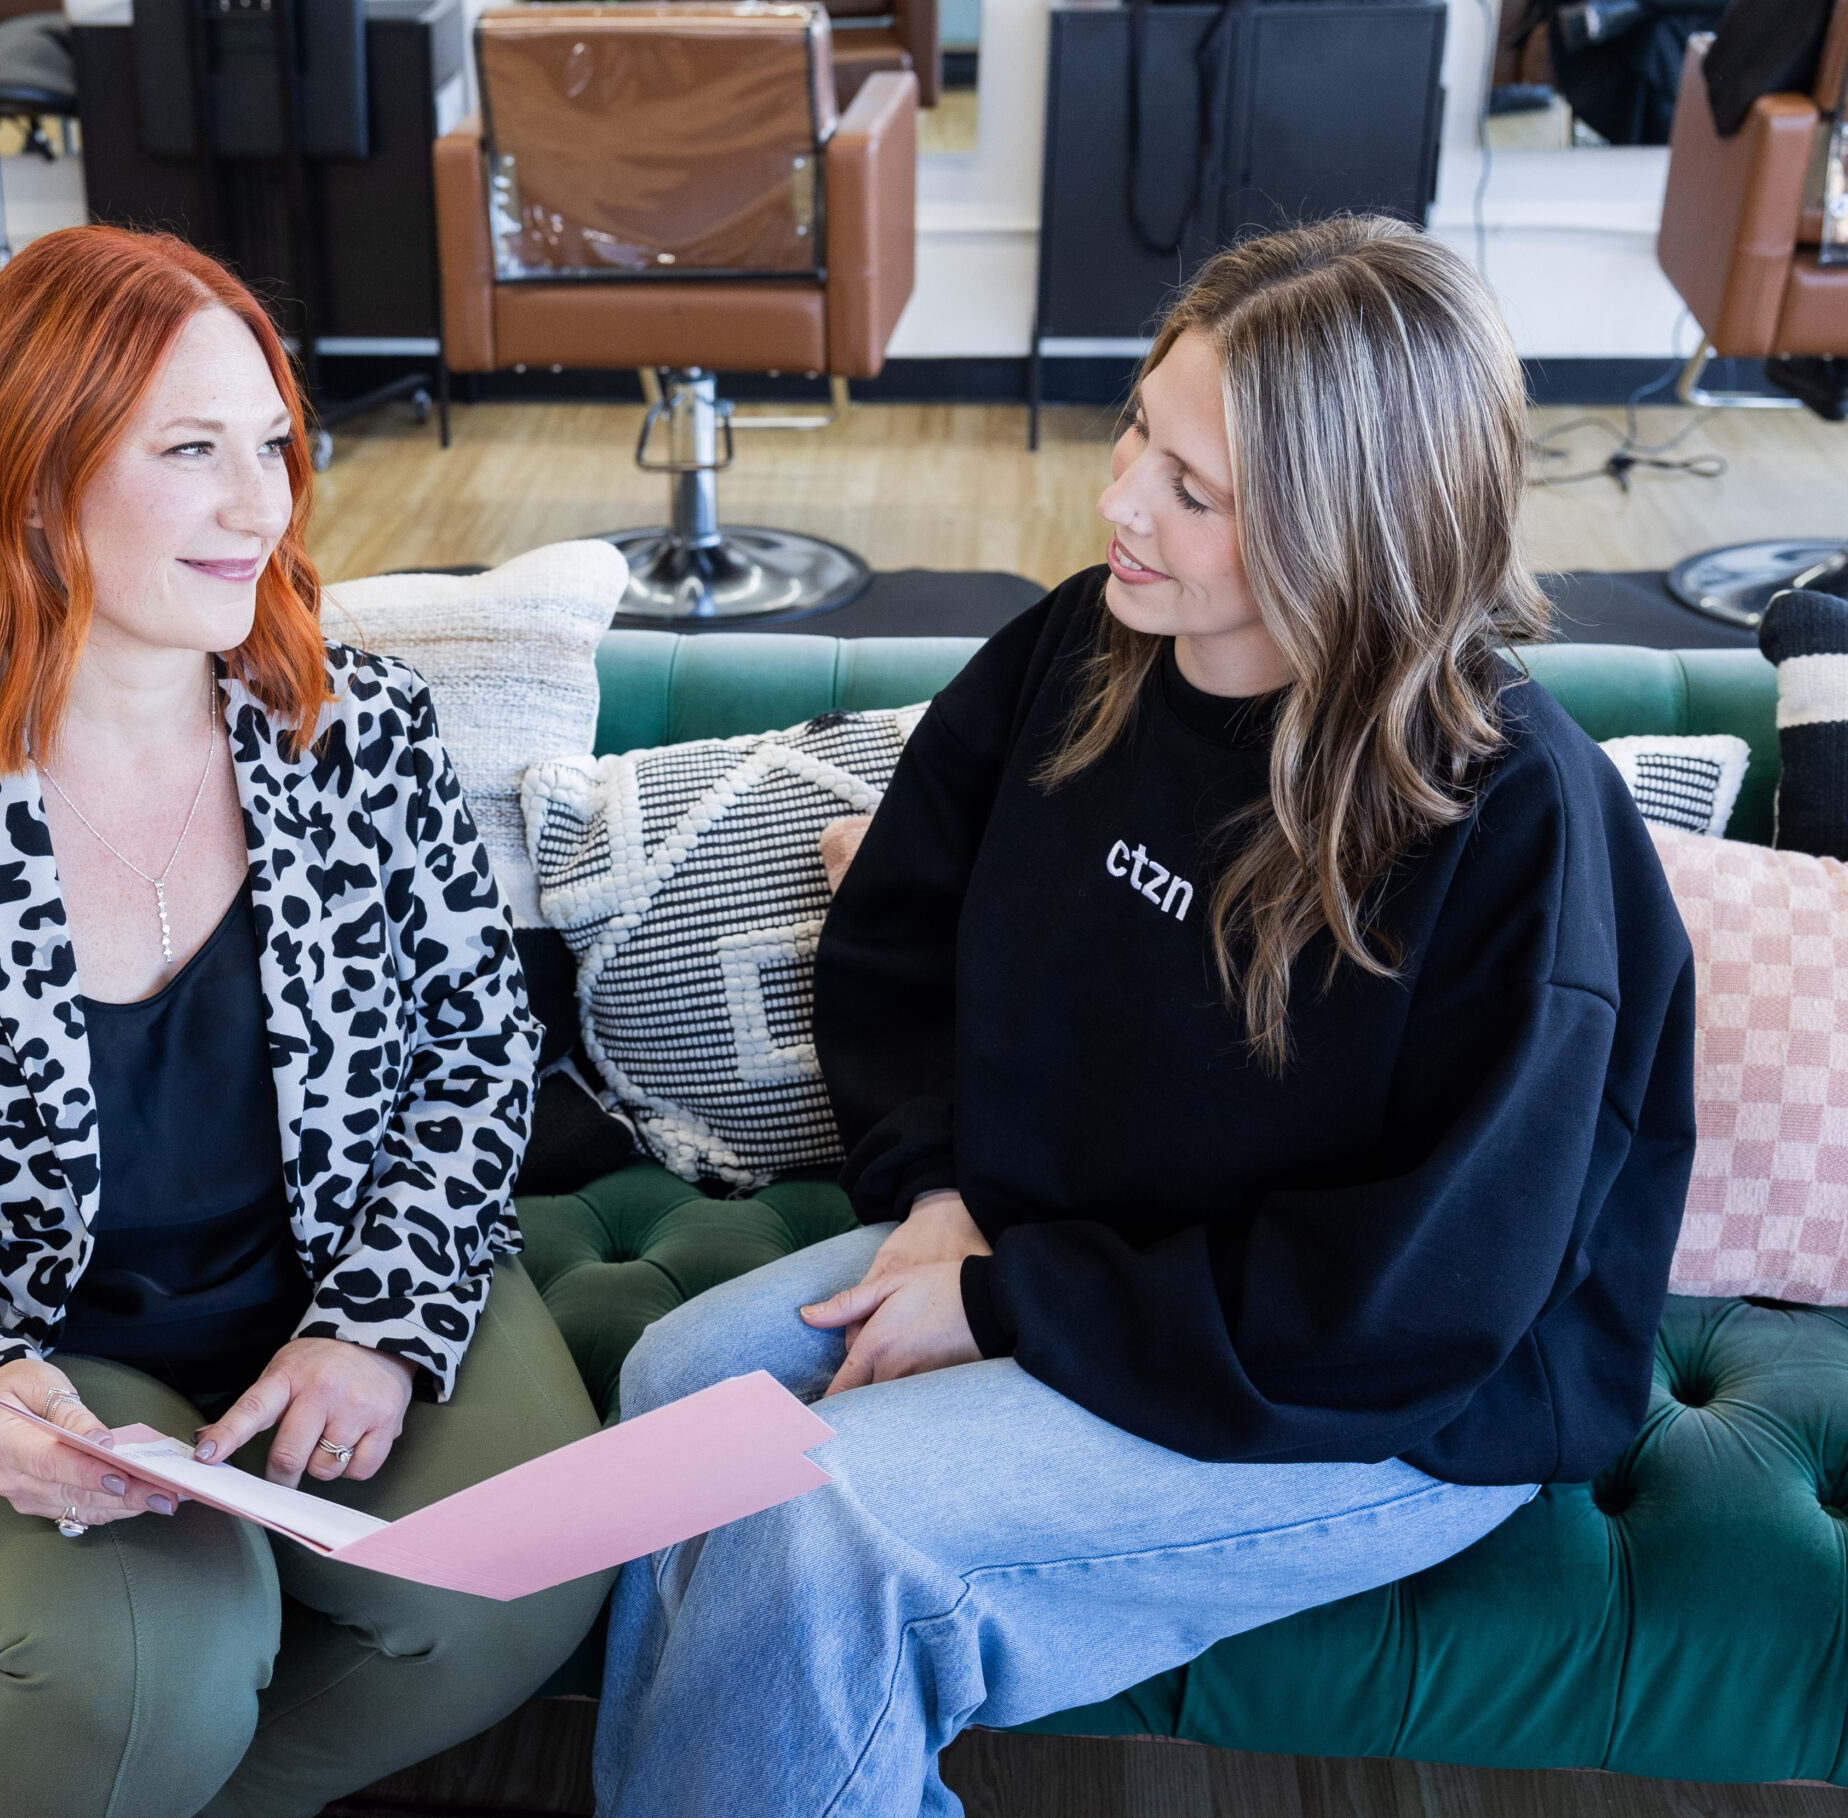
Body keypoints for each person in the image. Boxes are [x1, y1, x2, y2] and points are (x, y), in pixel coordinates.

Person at [594, 217, 1696, 1818]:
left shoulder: (1517, 823)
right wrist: (945, 1197)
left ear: (1354, 528)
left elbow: (1402, 1309)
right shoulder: (1088, 645)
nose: (1119, 503)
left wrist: (1005, 1304)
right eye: (1138, 435)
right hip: (1064, 1253)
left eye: (1195, 492)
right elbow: (901, 929)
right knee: (674, 1401)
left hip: (1384, 1399)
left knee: (817, 1517)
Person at [0, 225, 607, 1818]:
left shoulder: (356, 728)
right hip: (8, 1346)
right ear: (33, 481)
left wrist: (378, 1319)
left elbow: (474, 1046)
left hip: (324, 1273)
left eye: (272, 446)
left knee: (521, 1569)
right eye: (194, 452)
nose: (264, 505)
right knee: (147, 1671)